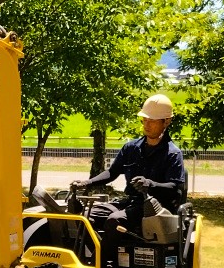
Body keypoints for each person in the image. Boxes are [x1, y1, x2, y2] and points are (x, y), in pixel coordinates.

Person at [71, 94, 186, 251]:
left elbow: (175, 187)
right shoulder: (131, 148)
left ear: (166, 121)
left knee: (114, 220)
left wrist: (150, 184)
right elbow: (112, 173)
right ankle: (100, 256)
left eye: (152, 121)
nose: (147, 125)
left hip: (154, 209)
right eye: (144, 120)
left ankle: (103, 260)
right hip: (129, 203)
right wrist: (87, 183)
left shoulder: (172, 153)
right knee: (83, 217)